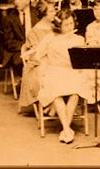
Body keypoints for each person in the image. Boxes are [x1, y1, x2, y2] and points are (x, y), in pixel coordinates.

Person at [35, 9, 95, 143]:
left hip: (72, 72)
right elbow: (38, 55)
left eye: (71, 24)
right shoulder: (50, 38)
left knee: (75, 92)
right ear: (59, 26)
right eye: (66, 24)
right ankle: (67, 129)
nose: (70, 27)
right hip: (54, 71)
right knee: (56, 93)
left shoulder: (78, 39)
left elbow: (81, 61)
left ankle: (66, 129)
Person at [18, 0, 57, 112]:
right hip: (39, 63)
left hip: (54, 60)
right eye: (51, 11)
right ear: (44, 13)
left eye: (54, 10)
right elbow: (35, 55)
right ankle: (53, 104)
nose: (54, 13)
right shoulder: (35, 31)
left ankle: (56, 105)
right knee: (48, 74)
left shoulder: (55, 28)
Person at [0, 0, 31, 75]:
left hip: (36, 48)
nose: (16, 2)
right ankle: (25, 84)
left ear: (28, 0)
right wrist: (25, 46)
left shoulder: (36, 14)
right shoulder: (9, 18)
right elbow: (9, 42)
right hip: (18, 51)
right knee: (21, 61)